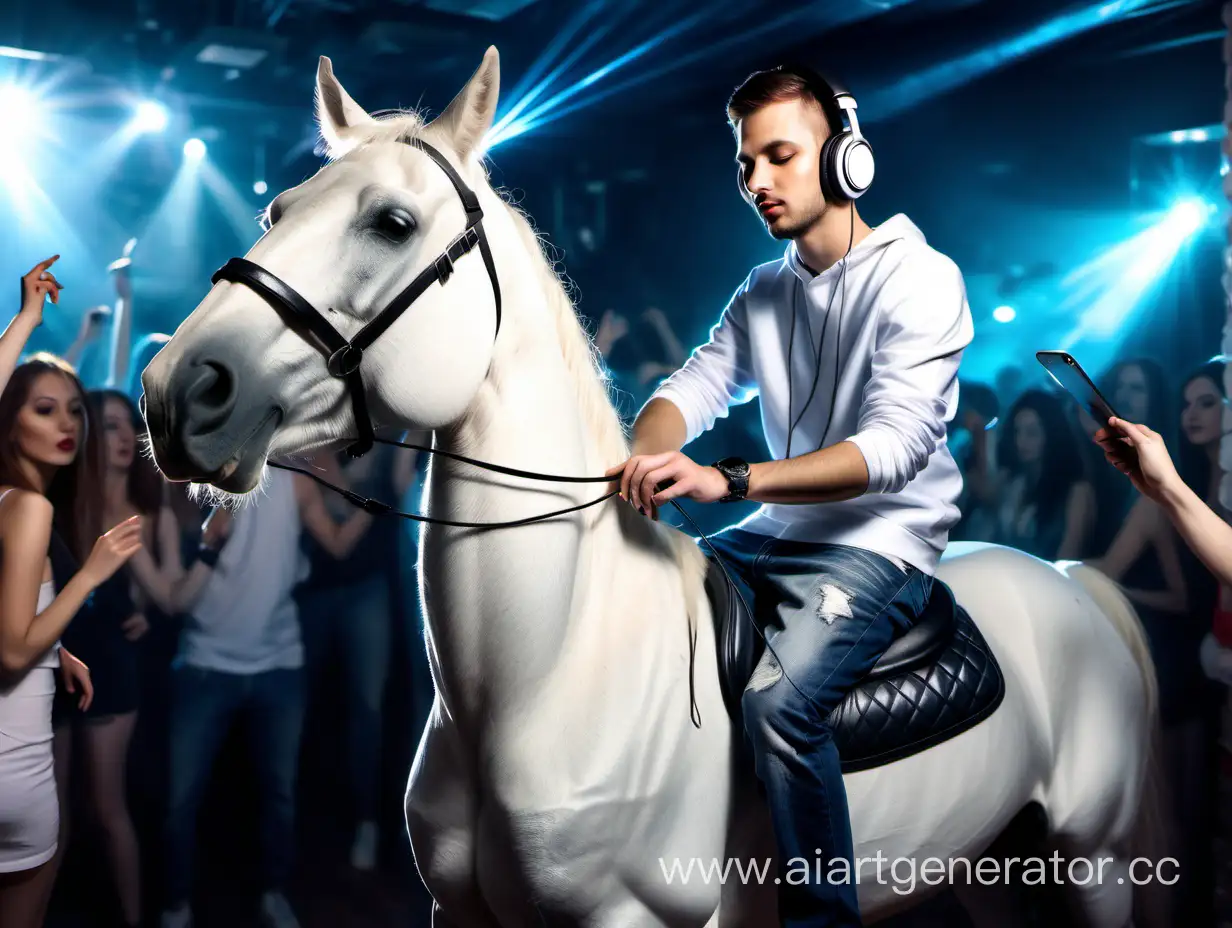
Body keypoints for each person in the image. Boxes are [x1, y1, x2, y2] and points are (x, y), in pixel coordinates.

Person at [608, 65, 972, 926]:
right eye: (745, 165)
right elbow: (689, 390)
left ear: (846, 160)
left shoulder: (921, 279)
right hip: (775, 530)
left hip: (884, 544)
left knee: (780, 703)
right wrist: (642, 456)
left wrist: (727, 479)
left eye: (779, 156)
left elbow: (892, 450)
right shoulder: (764, 291)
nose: (757, 183)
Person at [0, 256, 144, 928]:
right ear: (10, 424)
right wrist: (91, 570)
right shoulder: (28, 509)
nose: (70, 424)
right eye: (45, 410)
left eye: (75, 412)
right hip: (14, 767)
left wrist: (59, 653)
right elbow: (9, 653)